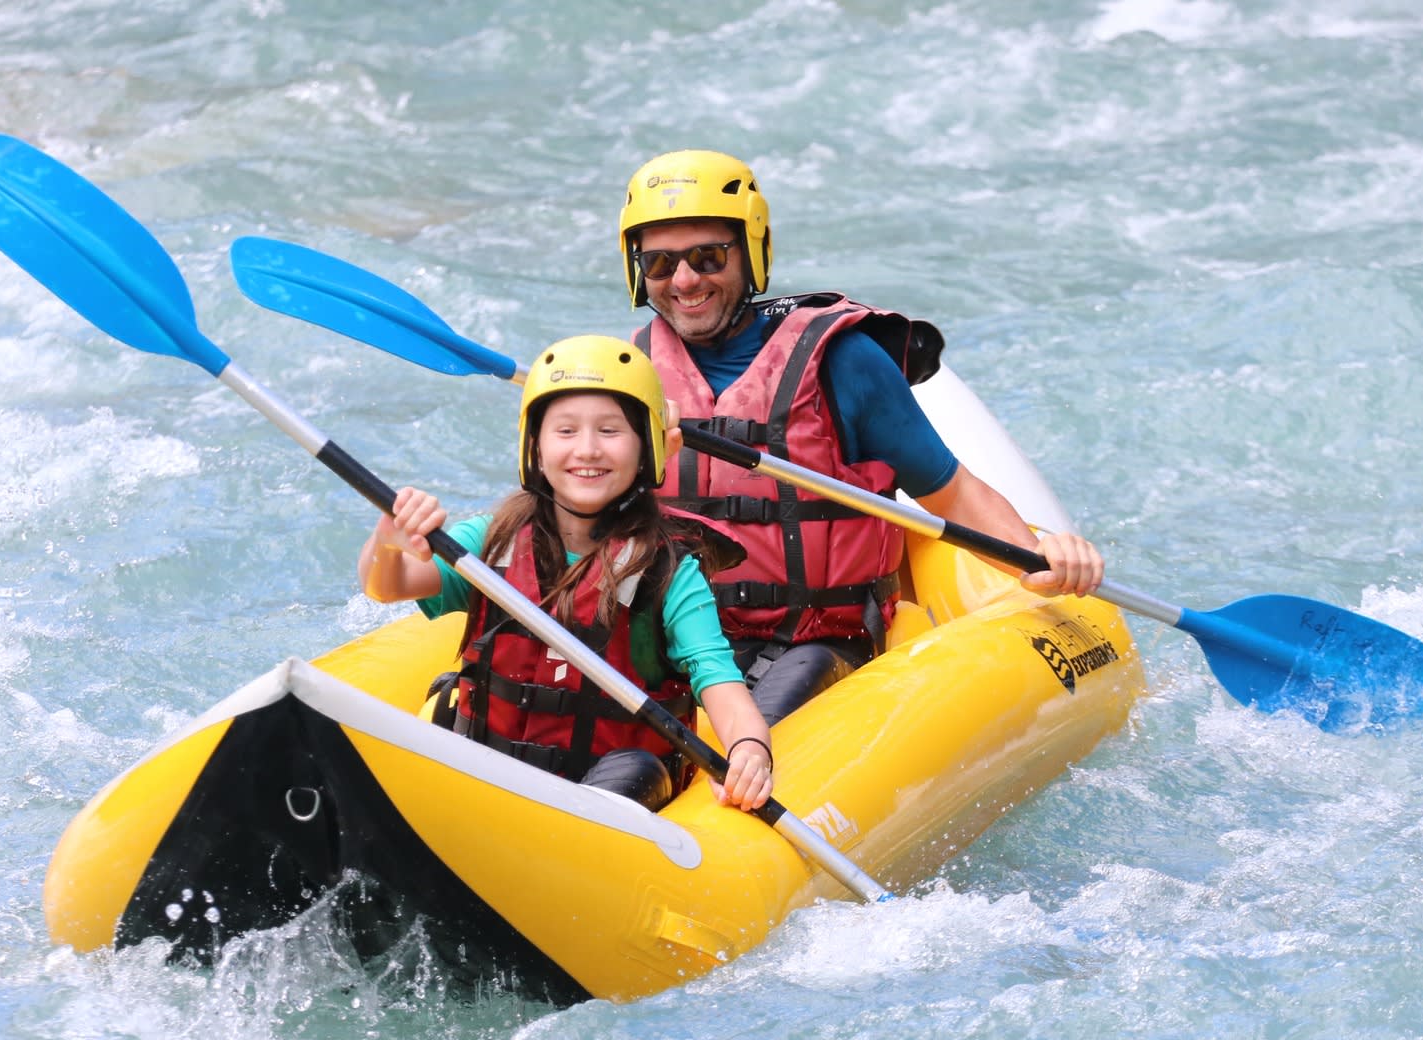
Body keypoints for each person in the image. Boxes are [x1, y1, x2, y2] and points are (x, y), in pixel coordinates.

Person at [618, 149, 1107, 725]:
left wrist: (1036, 561)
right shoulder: (630, 378)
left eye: (708, 257)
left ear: (750, 251)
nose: (684, 280)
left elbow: (953, 494)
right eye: (659, 263)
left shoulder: (845, 362)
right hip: (680, 642)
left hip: (811, 645)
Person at [358, 334, 775, 814]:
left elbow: (719, 681)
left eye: (610, 430)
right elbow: (386, 586)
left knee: (636, 770)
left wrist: (749, 748)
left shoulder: (668, 571)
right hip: (489, 772)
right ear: (535, 446)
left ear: (648, 449)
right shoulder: (492, 540)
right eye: (566, 431)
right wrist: (387, 542)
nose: (588, 449)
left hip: (608, 802)